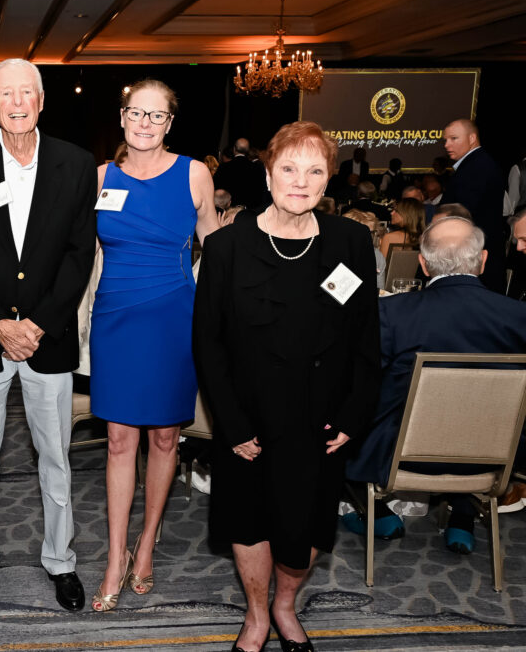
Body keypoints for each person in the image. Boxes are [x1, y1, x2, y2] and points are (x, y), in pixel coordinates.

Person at [194, 121, 380, 652]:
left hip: (320, 419)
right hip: (248, 418)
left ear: (329, 179)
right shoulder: (227, 247)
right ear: (268, 174)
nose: (301, 181)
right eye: (289, 169)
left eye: (315, 171)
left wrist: (353, 415)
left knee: (307, 525)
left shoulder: (350, 242)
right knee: (248, 520)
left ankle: (285, 605)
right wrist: (231, 423)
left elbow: (366, 338)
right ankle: (257, 614)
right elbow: (208, 344)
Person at [0, 58, 96, 612]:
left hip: (47, 338)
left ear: (41, 100)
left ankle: (61, 560)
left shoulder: (76, 164)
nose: (16, 102)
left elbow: (79, 254)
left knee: (54, 457)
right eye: (5, 94)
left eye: (25, 92)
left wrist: (37, 323)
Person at [89, 79, 218, 612]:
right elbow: (76, 249)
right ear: (122, 117)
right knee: (119, 440)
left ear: (170, 123)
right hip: (116, 319)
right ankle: (115, 555)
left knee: (165, 438)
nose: (144, 123)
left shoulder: (194, 173)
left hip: (173, 319)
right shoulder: (101, 176)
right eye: (136, 113)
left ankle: (147, 545)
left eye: (156, 115)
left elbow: (217, 250)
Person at [345, 217, 526, 552]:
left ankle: (377, 514)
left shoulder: (391, 313)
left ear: (423, 264)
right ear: (483, 260)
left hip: (403, 457)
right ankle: (462, 517)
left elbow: (361, 384)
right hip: (493, 457)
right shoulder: (518, 316)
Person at [441, 118, 506, 292]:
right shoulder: (478, 163)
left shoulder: (476, 167)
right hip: (477, 257)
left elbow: (462, 215)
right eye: (445, 140)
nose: (447, 145)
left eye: (454, 138)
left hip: (471, 261)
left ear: (472, 138)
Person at [214, 138, 266, 210]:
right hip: (250, 210)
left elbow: (216, 187)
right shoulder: (257, 168)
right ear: (248, 151)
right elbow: (261, 191)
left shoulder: (224, 167)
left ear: (234, 149)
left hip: (229, 209)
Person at [343, 209, 386, 289]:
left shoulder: (377, 255)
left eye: (371, 233)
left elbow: (379, 291)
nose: (368, 237)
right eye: (362, 232)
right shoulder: (336, 254)